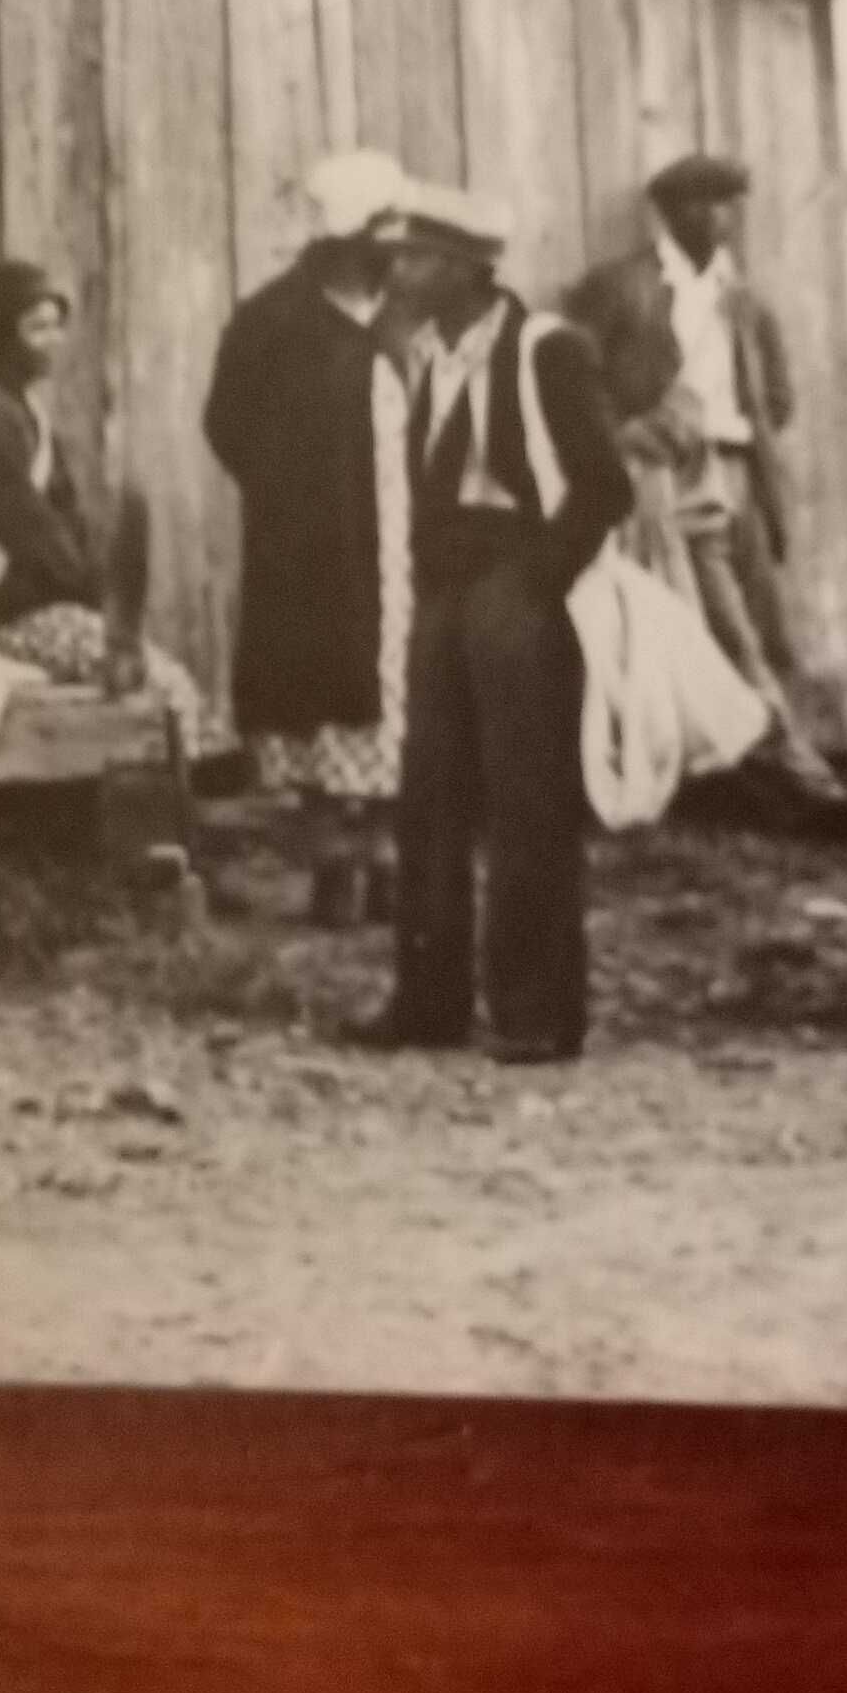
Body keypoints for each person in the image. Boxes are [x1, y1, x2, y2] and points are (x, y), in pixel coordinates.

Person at [357, 186, 633, 1064]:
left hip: (522, 573)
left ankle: (537, 1010)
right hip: (448, 579)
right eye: (399, 257)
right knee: (429, 795)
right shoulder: (427, 354)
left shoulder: (548, 351)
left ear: (470, 268)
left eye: (420, 259)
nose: (400, 273)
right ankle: (428, 1003)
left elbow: (604, 488)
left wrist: (537, 585)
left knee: (527, 797)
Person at [568, 153, 847, 835]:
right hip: (659, 479)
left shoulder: (744, 297)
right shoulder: (622, 287)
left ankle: (754, 778)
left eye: (728, 203)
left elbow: (779, 398)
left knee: (760, 626)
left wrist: (742, 438)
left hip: (736, 475)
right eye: (702, 204)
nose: (718, 218)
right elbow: (573, 383)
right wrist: (628, 436)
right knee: (713, 633)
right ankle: (804, 783)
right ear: (667, 212)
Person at [203, 149, 413, 924]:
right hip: (312, 541)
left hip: (402, 537)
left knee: (399, 691)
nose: (396, 246)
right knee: (323, 692)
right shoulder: (274, 320)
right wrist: (288, 495)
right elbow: (227, 422)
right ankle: (333, 868)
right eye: (381, 230)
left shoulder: (405, 312)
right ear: (342, 236)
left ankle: (390, 860)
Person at [0, 259, 219, 753]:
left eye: (56, 325)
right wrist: (92, 589)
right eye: (36, 328)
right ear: (2, 334)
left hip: (37, 599)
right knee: (165, 688)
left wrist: (96, 588)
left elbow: (65, 516)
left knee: (156, 683)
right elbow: (31, 529)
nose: (53, 339)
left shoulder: (24, 410)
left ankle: (178, 795)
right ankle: (169, 806)